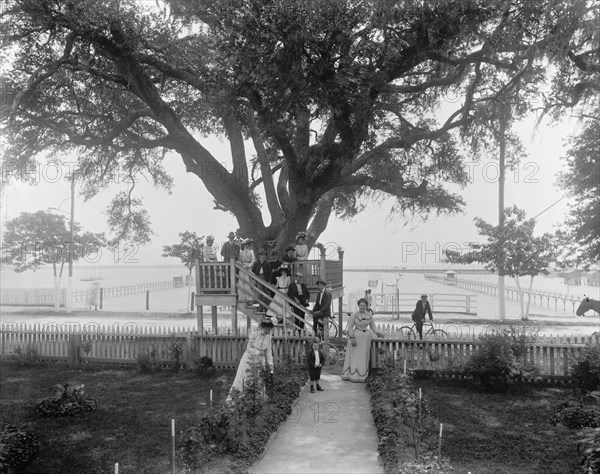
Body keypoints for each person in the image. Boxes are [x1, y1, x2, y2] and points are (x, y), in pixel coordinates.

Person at [228, 317, 275, 401]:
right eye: (267, 329)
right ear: (263, 327)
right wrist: (258, 352)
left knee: (259, 378)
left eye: (270, 329)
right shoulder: (254, 333)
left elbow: (268, 350)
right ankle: (240, 397)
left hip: (260, 360)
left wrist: (271, 364)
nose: (269, 331)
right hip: (249, 358)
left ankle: (257, 397)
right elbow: (249, 348)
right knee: (246, 377)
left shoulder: (269, 335)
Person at [342, 298, 384, 383]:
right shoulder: (354, 315)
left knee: (364, 356)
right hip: (356, 336)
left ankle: (362, 376)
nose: (362, 307)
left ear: (366, 306)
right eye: (361, 305)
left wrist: (378, 333)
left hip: (366, 338)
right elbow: (350, 327)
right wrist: (352, 337)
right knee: (356, 356)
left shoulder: (369, 315)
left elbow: (373, 326)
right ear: (358, 306)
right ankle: (353, 375)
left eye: (364, 305)